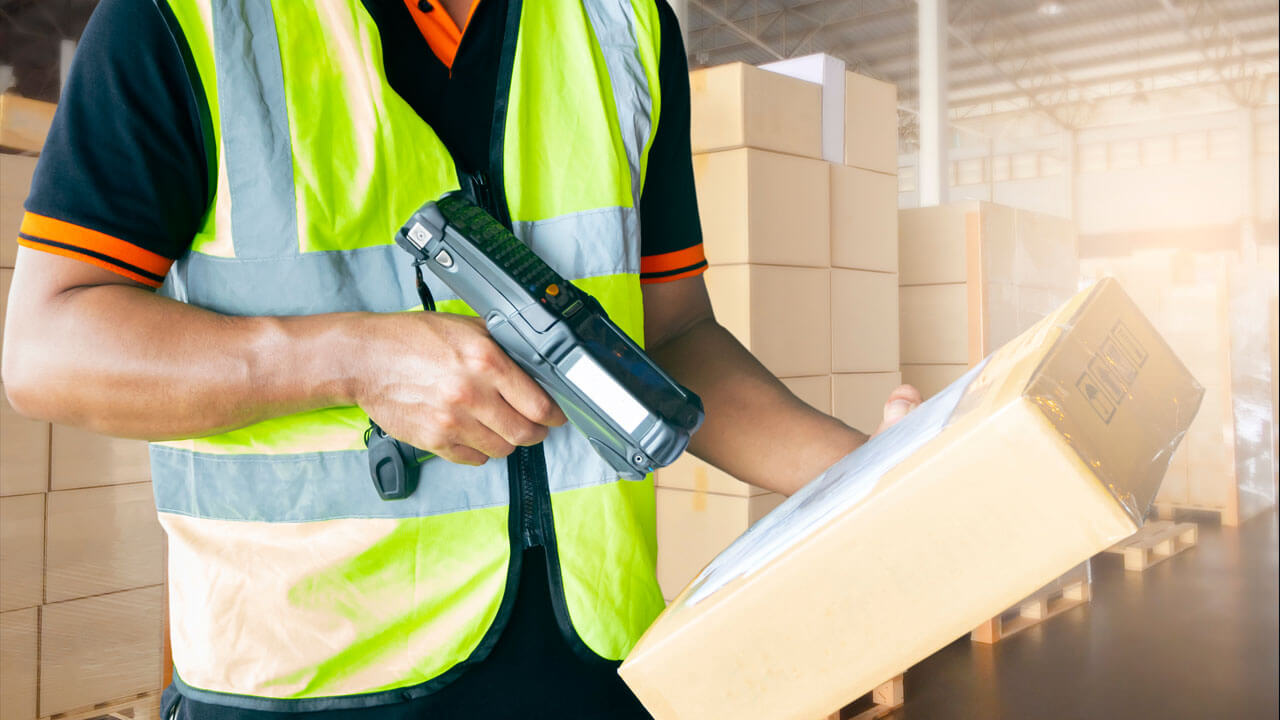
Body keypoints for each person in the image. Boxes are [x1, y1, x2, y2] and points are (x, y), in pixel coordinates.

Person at [1, 0, 921, 717]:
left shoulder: (623, 22)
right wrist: (349, 360)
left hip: (594, 671)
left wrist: (877, 482)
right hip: (311, 686)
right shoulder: (190, 19)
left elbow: (672, 340)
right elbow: (48, 347)